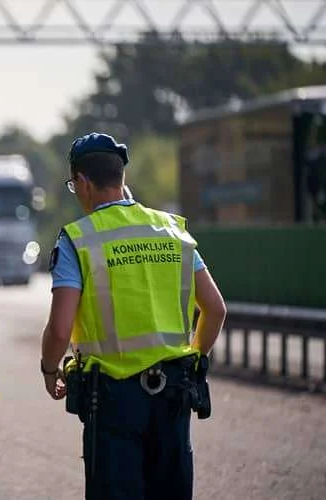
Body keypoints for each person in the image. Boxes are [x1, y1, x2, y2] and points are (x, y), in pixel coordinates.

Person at [39, 133, 227, 500]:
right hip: (174, 396)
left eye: (73, 185)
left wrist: (49, 371)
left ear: (82, 182)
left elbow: (60, 329)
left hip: (112, 401)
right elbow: (216, 309)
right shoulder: (172, 230)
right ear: (121, 177)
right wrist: (194, 360)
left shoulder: (77, 239)